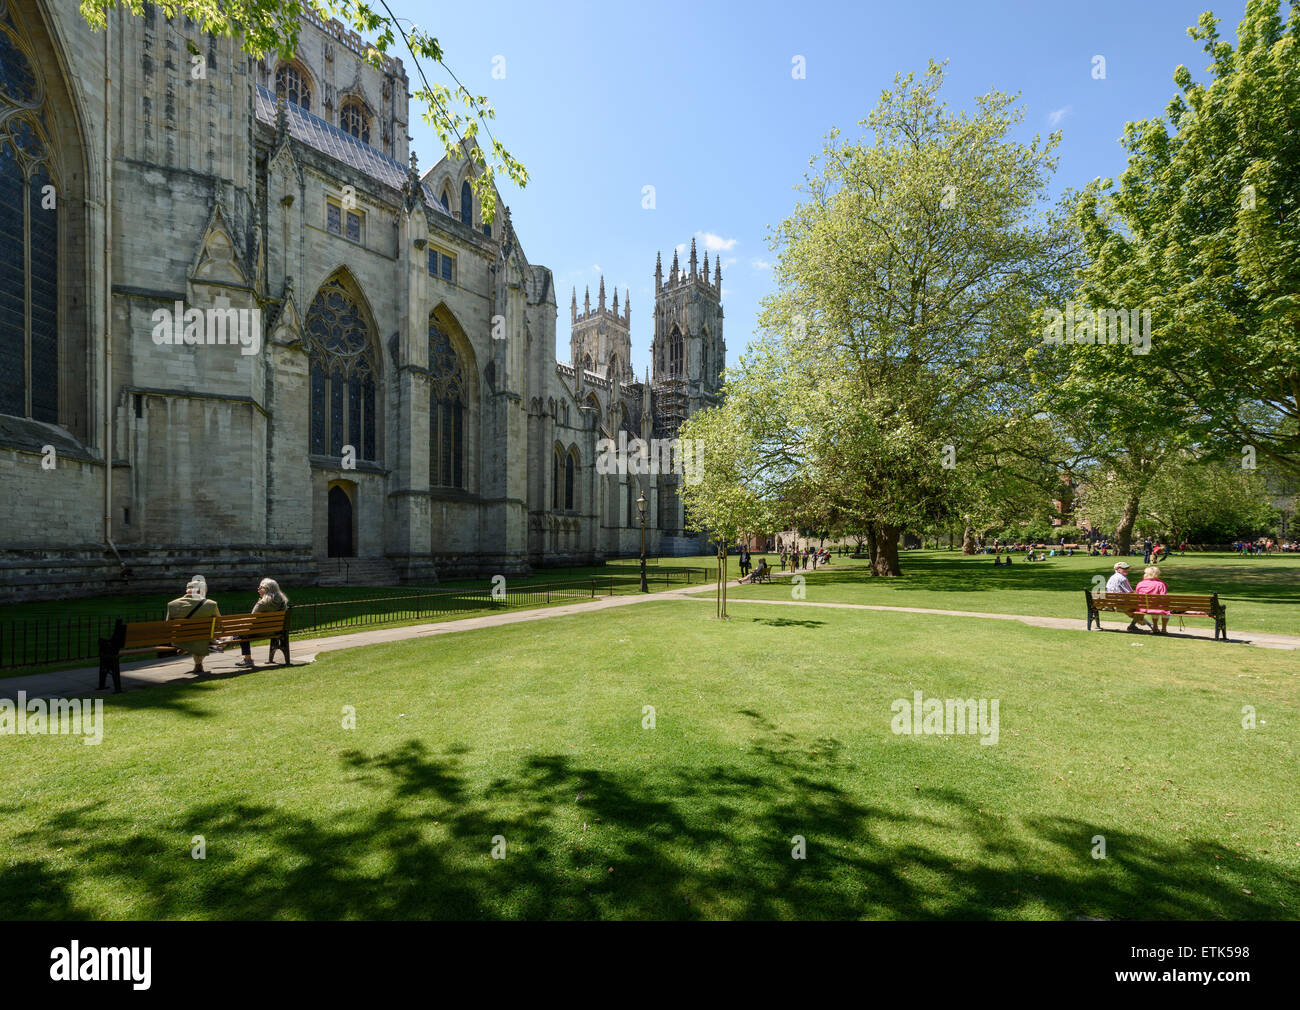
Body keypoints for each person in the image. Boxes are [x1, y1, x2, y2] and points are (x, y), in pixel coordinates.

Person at [165, 576, 221, 673]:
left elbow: (167, 625)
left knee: (197, 638)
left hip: (180, 639)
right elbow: (220, 622)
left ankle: (187, 649)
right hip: (203, 637)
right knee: (205, 638)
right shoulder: (211, 604)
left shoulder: (172, 605)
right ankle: (197, 662)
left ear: (188, 591)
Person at [233, 578, 290, 667]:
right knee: (238, 633)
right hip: (276, 630)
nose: (258, 589)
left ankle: (247, 659)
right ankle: (227, 641)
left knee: (240, 632)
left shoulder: (261, 604)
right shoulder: (282, 602)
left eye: (260, 587)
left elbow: (251, 620)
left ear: (266, 589)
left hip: (259, 632)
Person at [1105, 561, 1150, 633]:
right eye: (1124, 568)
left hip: (1112, 604)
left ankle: (1141, 622)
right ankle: (1137, 624)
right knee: (1142, 607)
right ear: (1117, 569)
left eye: (1127, 568)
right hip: (1122, 604)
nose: (1126, 570)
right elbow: (1131, 593)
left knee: (1136, 611)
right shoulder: (1123, 579)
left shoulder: (1111, 578)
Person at [1134, 565, 1170, 635]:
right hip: (1156, 607)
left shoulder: (1140, 583)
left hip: (1143, 607)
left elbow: (1137, 596)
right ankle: (1164, 629)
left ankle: (1155, 627)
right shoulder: (1160, 584)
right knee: (1165, 608)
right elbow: (1164, 597)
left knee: (1156, 607)